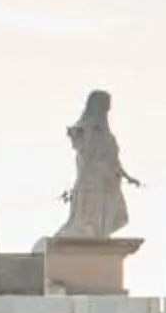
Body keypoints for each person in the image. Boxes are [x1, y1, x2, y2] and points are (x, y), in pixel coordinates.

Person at [59, 89, 139, 238]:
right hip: (91, 184)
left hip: (107, 183)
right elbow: (79, 144)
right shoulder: (85, 129)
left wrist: (129, 177)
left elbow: (114, 163)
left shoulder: (107, 136)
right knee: (89, 222)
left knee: (111, 218)